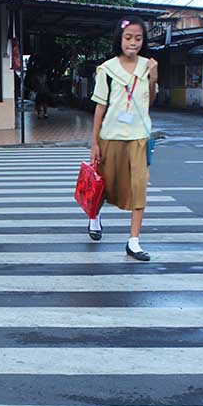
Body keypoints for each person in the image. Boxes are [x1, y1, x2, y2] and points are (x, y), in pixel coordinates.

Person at [88, 16, 158, 262]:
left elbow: (150, 103)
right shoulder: (106, 69)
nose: (133, 43)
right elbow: (99, 107)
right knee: (105, 185)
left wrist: (154, 76)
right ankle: (94, 217)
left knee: (139, 187)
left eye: (138, 38)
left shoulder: (147, 66)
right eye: (128, 38)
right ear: (120, 39)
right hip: (111, 136)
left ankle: (134, 241)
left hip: (139, 137)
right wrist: (94, 143)